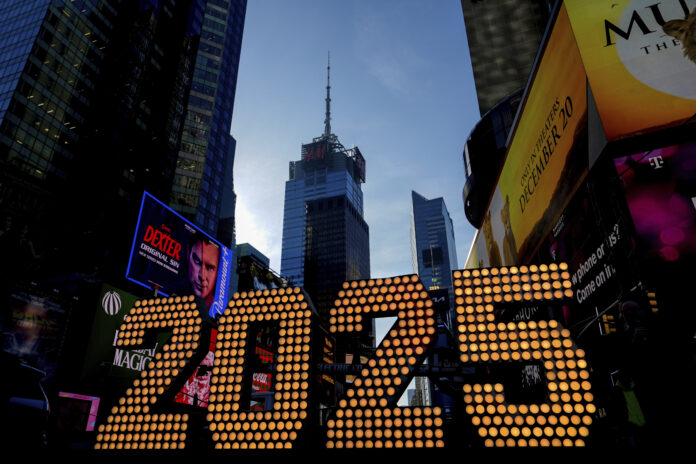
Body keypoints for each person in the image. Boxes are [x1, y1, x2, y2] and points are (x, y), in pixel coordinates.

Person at [185, 233, 220, 309]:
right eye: (197, 261)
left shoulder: (217, 309)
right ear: (188, 253)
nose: (202, 276)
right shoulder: (169, 291)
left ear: (218, 272)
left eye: (210, 267)